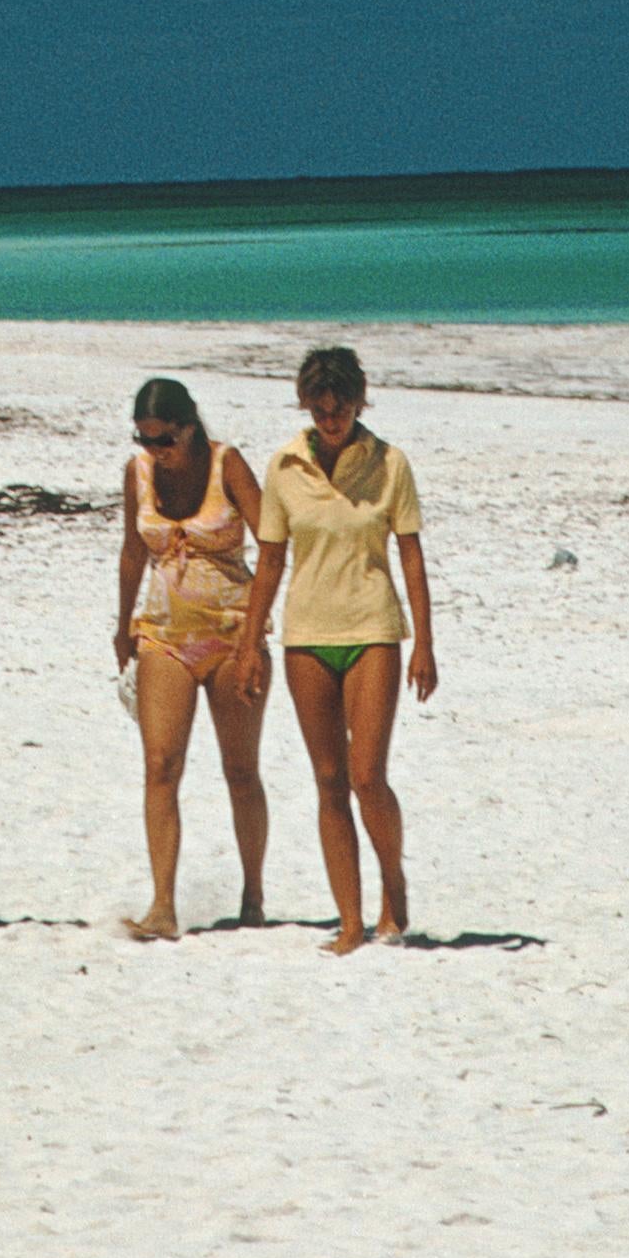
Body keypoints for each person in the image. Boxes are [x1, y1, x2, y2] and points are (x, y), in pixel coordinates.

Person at [229, 344, 436, 950]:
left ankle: (392, 888)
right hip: (306, 637)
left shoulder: (390, 463)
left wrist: (424, 642)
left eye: (340, 406)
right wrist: (248, 644)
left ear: (357, 400)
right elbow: (268, 562)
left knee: (367, 775)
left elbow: (412, 556)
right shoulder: (283, 467)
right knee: (328, 780)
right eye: (320, 409)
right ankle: (350, 920)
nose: (331, 418)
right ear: (306, 405)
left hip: (374, 629)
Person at [112, 372, 270, 939]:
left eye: (165, 439)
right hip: (162, 634)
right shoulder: (139, 475)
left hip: (232, 636)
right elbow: (133, 551)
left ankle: (253, 894)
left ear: (190, 426)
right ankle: (162, 906)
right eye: (145, 440)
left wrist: (254, 638)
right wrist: (121, 622)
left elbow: (273, 546)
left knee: (240, 769)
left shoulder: (228, 466)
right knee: (160, 766)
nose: (156, 451)